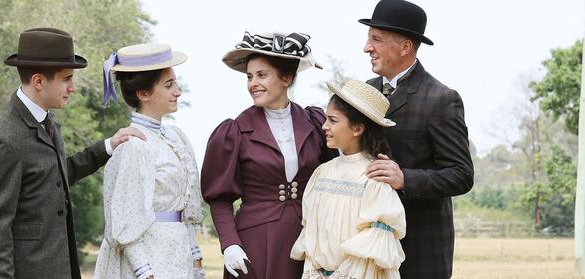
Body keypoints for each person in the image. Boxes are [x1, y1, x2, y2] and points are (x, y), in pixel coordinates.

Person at [0, 27, 145, 279]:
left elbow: (54, 176)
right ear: (38, 81)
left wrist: (108, 145)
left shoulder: (47, 122)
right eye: (66, 79)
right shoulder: (4, 139)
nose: (73, 87)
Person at [201, 31, 338, 279]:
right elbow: (219, 198)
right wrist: (230, 244)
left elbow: (336, 175)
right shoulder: (233, 131)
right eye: (250, 76)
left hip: (309, 240)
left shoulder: (315, 122)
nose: (253, 83)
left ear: (286, 77)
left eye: (262, 75)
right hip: (253, 244)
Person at [359, 1, 475, 278]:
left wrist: (405, 179)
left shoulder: (442, 99)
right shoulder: (364, 92)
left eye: (376, 39)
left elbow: (461, 175)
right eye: (368, 38)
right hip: (366, 243)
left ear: (405, 47)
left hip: (420, 248)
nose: (366, 47)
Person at [93, 43, 205, 279]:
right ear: (143, 93)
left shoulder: (176, 138)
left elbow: (184, 211)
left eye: (175, 82)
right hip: (151, 258)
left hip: (177, 254)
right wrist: (145, 272)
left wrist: (195, 258)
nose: (178, 91)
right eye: (168, 85)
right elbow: (125, 218)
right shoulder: (135, 145)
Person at [291, 79, 406, 279]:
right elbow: (311, 233)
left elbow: (373, 246)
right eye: (326, 119)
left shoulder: (374, 176)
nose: (324, 126)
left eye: (333, 120)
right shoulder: (322, 173)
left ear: (357, 129)